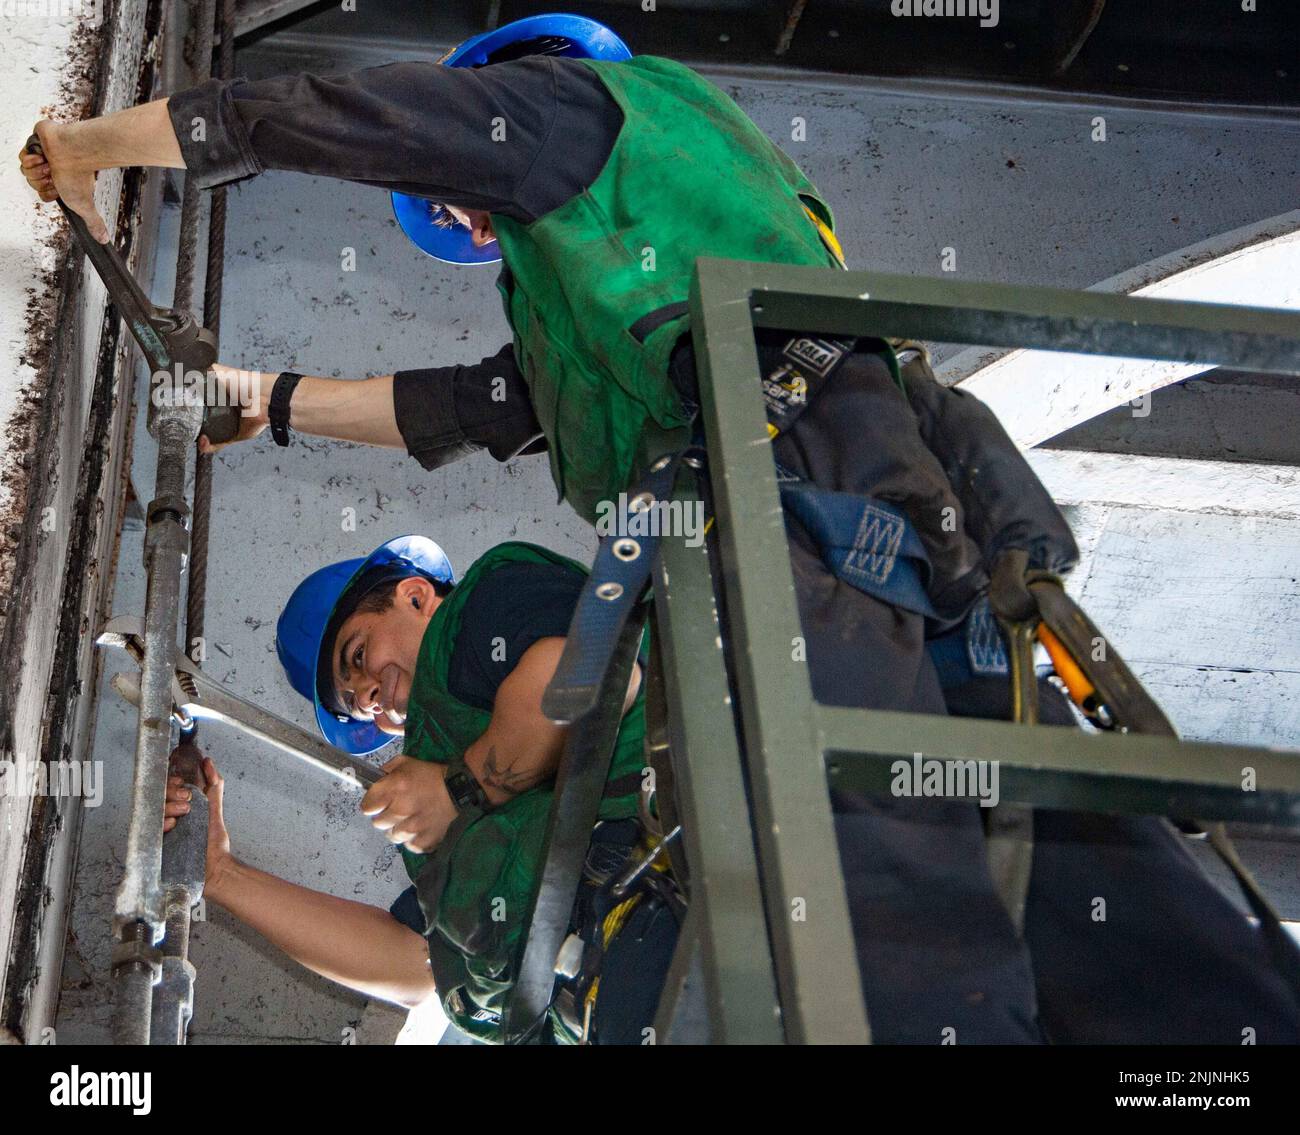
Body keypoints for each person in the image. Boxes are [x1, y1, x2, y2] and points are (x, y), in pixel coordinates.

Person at [33, 13, 1300, 1042]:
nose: (470, 231)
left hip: (797, 501)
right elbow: (480, 404)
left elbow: (363, 118)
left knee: (869, 851)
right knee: (1065, 835)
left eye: (461, 213)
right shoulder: (648, 232)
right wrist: (275, 405)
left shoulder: (566, 114)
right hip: (899, 513)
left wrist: (108, 144)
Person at [165, 533, 679, 1044]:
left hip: (685, 877)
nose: (367, 691)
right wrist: (221, 876)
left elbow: (599, 671)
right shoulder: (448, 780)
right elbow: (419, 966)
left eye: (358, 653)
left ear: (415, 596)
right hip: (612, 996)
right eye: (355, 700)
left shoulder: (485, 606)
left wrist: (462, 789)